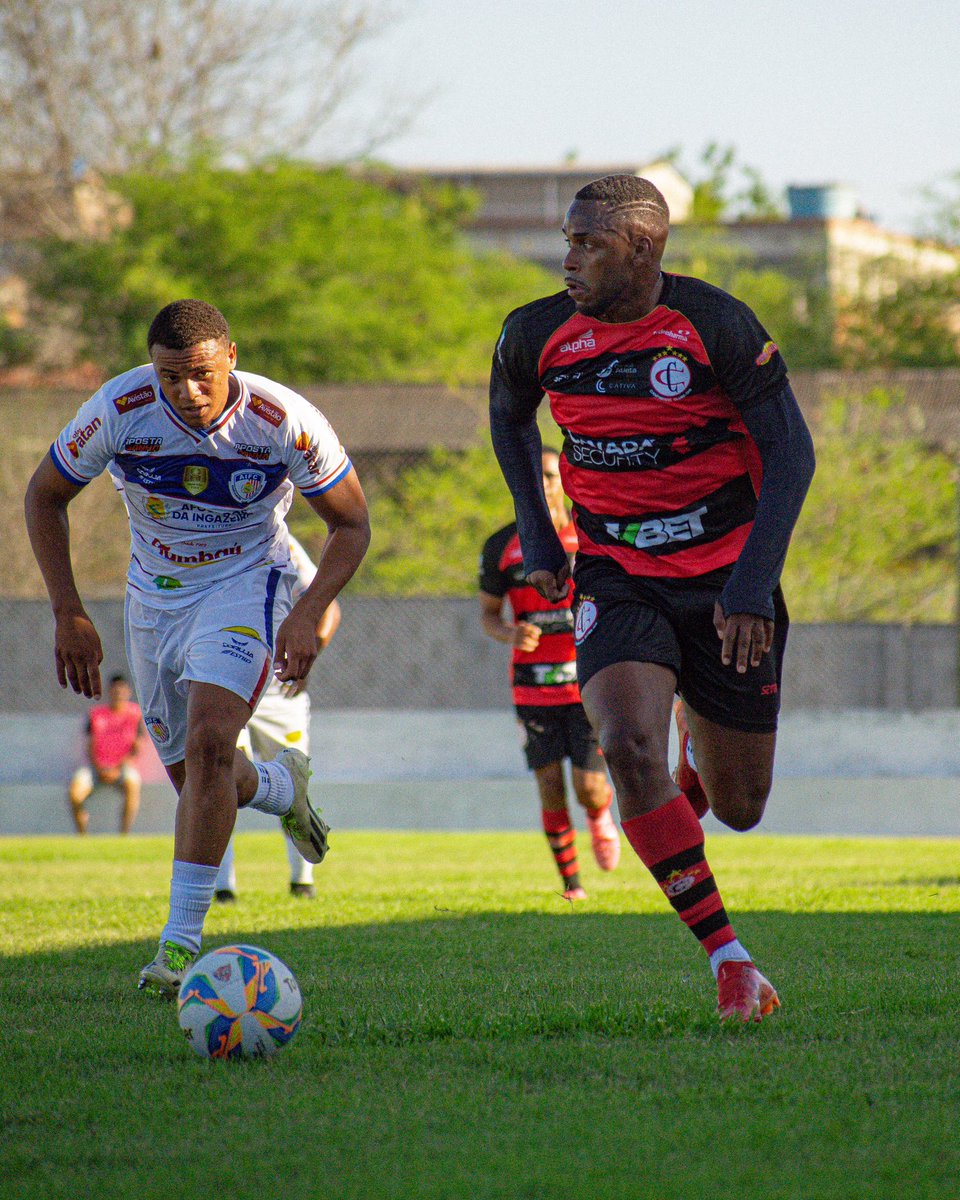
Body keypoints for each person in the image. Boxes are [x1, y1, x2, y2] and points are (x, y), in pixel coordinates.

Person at [489, 175, 815, 1022]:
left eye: (587, 244)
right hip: (615, 569)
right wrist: (541, 530)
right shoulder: (534, 332)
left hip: (725, 581)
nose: (567, 260)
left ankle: (695, 757)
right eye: (566, 241)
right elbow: (509, 417)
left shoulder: (715, 324)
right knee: (625, 744)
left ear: (643, 246)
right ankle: (731, 960)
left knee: (740, 808)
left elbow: (793, 458)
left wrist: (750, 587)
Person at [25, 298, 370, 998]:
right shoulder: (120, 406)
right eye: (170, 377)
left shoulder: (282, 420)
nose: (186, 391)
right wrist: (68, 611)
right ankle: (280, 786)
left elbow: (352, 524)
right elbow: (44, 495)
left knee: (214, 744)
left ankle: (178, 949)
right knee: (201, 785)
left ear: (231, 358)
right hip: (154, 599)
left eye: (202, 374)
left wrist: (308, 611)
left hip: (248, 583)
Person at [479, 448, 619, 900]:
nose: (544, 483)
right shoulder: (502, 545)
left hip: (586, 684)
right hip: (531, 688)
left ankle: (600, 816)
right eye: (535, 475)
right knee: (549, 787)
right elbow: (487, 615)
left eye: (550, 475)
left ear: (564, 480)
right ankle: (572, 887)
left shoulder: (590, 535)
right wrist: (509, 633)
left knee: (590, 788)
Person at [214, 534, 341, 902]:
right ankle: (222, 886)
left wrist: (307, 657)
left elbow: (329, 608)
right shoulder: (199, 531)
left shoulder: (277, 537)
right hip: (223, 682)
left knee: (293, 775)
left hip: (276, 688)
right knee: (217, 777)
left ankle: (302, 881)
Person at [67, 672, 146, 835]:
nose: (118, 694)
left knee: (132, 784)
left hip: (122, 767)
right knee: (75, 793)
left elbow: (136, 748)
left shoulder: (135, 714)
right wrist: (100, 768)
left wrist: (117, 768)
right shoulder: (96, 714)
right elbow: (89, 745)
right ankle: (82, 835)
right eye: (114, 690)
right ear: (109, 692)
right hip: (97, 767)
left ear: (128, 692)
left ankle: (124, 834)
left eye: (121, 691)